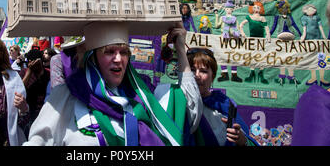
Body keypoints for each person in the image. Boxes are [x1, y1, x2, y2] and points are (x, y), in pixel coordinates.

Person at [23, 21, 202, 146]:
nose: (118, 59)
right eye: (109, 51)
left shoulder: (142, 97)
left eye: (124, 52)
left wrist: (180, 49)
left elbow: (190, 115)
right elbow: (39, 140)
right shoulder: (68, 95)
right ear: (92, 58)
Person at [187, 47, 259, 146]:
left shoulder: (224, 104)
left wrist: (242, 140)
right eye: (192, 70)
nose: (197, 75)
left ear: (212, 76)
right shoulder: (177, 100)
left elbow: (248, 141)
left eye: (203, 71)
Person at [291, 0, 330, 145]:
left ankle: (321, 77)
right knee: (315, 63)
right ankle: (313, 77)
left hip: (320, 45)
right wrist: (303, 37)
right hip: (311, 46)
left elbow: (322, 29)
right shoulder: (318, 107)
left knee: (321, 62)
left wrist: (323, 37)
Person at [18, 48, 50, 136]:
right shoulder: (24, 72)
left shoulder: (48, 73)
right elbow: (20, 89)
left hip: (44, 113)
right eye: (30, 61)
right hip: (29, 113)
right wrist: (29, 70)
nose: (33, 64)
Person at [239, 1, 270, 84]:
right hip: (252, 40)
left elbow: (266, 28)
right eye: (255, 7)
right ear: (252, 9)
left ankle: (261, 73)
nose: (256, 9)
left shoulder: (262, 18)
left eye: (258, 8)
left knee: (261, 56)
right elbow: (241, 25)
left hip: (261, 40)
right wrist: (242, 33)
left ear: (261, 9)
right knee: (252, 55)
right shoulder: (249, 17)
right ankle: (252, 72)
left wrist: (268, 35)